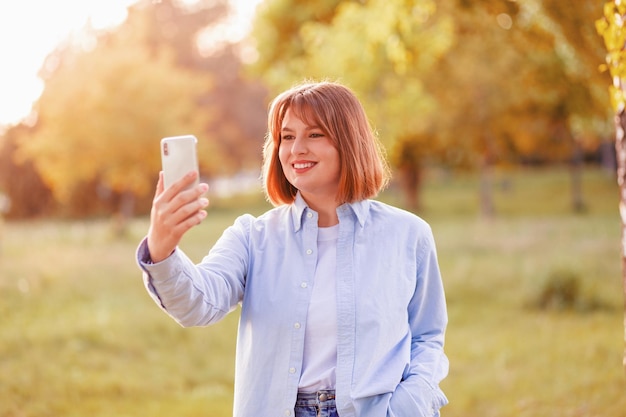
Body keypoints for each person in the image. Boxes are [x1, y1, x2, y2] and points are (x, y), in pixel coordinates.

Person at [136, 81, 449, 417]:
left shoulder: (408, 235)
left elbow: (427, 336)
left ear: (349, 142)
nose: (296, 149)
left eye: (314, 134)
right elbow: (198, 304)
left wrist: (411, 404)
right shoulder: (253, 237)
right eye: (286, 137)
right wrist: (162, 247)